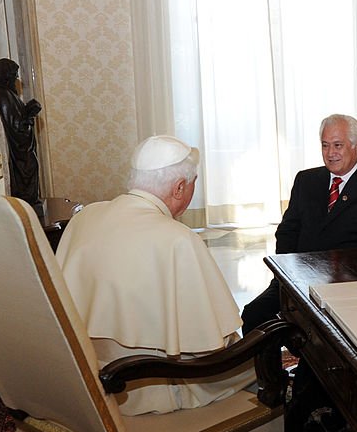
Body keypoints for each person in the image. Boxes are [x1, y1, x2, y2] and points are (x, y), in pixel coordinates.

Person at [55, 135, 254, 416]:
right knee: (256, 357)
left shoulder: (85, 216)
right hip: (151, 388)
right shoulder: (178, 239)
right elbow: (209, 347)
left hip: (86, 375)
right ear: (180, 187)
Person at [241, 113, 357, 334]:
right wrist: (288, 271)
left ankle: (309, 366)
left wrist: (343, 279)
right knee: (253, 315)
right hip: (297, 279)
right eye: (325, 145)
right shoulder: (306, 180)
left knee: (320, 336)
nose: (330, 153)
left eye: (337, 145)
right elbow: (287, 231)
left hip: (347, 286)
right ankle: (275, 368)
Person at [0, 58, 42, 208]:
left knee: (32, 166)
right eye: (14, 75)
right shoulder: (3, 94)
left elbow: (18, 117)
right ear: (6, 75)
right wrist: (29, 114)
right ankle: (28, 202)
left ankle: (32, 200)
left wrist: (28, 110)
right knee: (28, 168)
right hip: (20, 148)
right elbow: (15, 127)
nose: (16, 78)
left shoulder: (11, 94)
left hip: (25, 145)